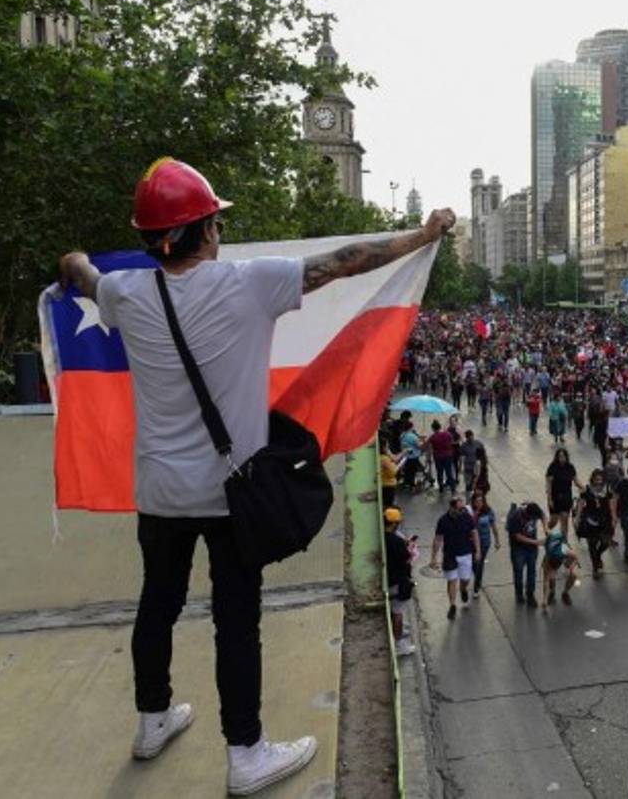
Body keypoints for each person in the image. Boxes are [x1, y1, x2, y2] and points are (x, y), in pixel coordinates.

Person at [59, 157, 455, 792]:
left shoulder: (124, 291)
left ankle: (152, 719)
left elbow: (76, 270)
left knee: (156, 603)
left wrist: (77, 258)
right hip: (228, 495)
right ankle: (246, 754)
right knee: (235, 621)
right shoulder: (249, 283)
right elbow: (350, 260)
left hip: (160, 491)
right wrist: (423, 234)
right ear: (206, 232)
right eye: (215, 221)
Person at [431, 496, 480, 621]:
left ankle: (463, 589)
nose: (461, 510)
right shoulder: (443, 520)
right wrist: (433, 557)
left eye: (462, 508)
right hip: (450, 555)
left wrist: (478, 551)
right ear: (452, 508)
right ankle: (452, 605)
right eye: (459, 508)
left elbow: (474, 533)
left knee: (465, 579)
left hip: (465, 553)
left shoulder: (466, 517)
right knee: (452, 580)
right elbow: (438, 539)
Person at [384, 508, 416, 658]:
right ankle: (398, 643)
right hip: (398, 581)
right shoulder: (396, 541)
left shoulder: (383, 537)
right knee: (398, 613)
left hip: (388, 579)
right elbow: (406, 558)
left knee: (393, 611)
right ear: (395, 524)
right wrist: (409, 547)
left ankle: (398, 635)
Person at [575, 468, 616, 579]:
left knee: (605, 542)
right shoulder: (586, 489)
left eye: (600, 479)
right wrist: (577, 518)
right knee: (592, 545)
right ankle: (595, 568)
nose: (598, 481)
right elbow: (580, 503)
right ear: (593, 479)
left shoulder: (607, 489)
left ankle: (598, 556)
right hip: (590, 521)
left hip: (605, 520)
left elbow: (612, 503)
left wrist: (613, 517)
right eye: (596, 479)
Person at [507, 502, 544, 607]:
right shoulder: (515, 517)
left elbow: (542, 515)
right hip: (518, 549)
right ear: (529, 515)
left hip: (532, 549)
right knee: (518, 573)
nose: (535, 520)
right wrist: (536, 542)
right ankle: (519, 594)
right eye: (534, 518)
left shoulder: (534, 510)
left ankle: (530, 595)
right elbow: (518, 537)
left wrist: (545, 527)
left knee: (532, 572)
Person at [468, 492, 499, 598]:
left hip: (484, 542)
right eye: (477, 501)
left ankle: (477, 587)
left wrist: (497, 540)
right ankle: (478, 578)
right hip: (470, 542)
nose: (479, 503)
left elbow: (493, 526)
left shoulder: (488, 511)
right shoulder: (470, 512)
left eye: (481, 501)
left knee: (479, 563)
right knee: (473, 563)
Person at [541, 526, 580, 609]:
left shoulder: (565, 550)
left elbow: (576, 557)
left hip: (564, 558)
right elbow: (545, 582)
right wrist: (544, 599)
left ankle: (565, 593)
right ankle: (552, 592)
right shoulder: (548, 559)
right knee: (551, 578)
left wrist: (571, 568)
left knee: (574, 575)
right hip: (553, 559)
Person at [545, 448, 580, 539]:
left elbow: (576, 480)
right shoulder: (553, 467)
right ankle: (547, 531)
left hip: (566, 497)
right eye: (560, 456)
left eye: (563, 456)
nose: (562, 458)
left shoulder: (570, 467)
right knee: (554, 520)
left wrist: (583, 488)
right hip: (555, 497)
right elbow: (549, 484)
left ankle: (564, 540)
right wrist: (549, 499)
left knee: (565, 519)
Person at [426, 420, 457, 494]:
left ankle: (441, 488)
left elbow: (430, 449)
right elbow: (452, 442)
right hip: (448, 456)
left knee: (439, 472)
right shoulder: (448, 434)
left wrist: (429, 458)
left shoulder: (432, 437)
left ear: (433, 428)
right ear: (440, 426)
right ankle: (453, 488)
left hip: (438, 457)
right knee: (449, 472)